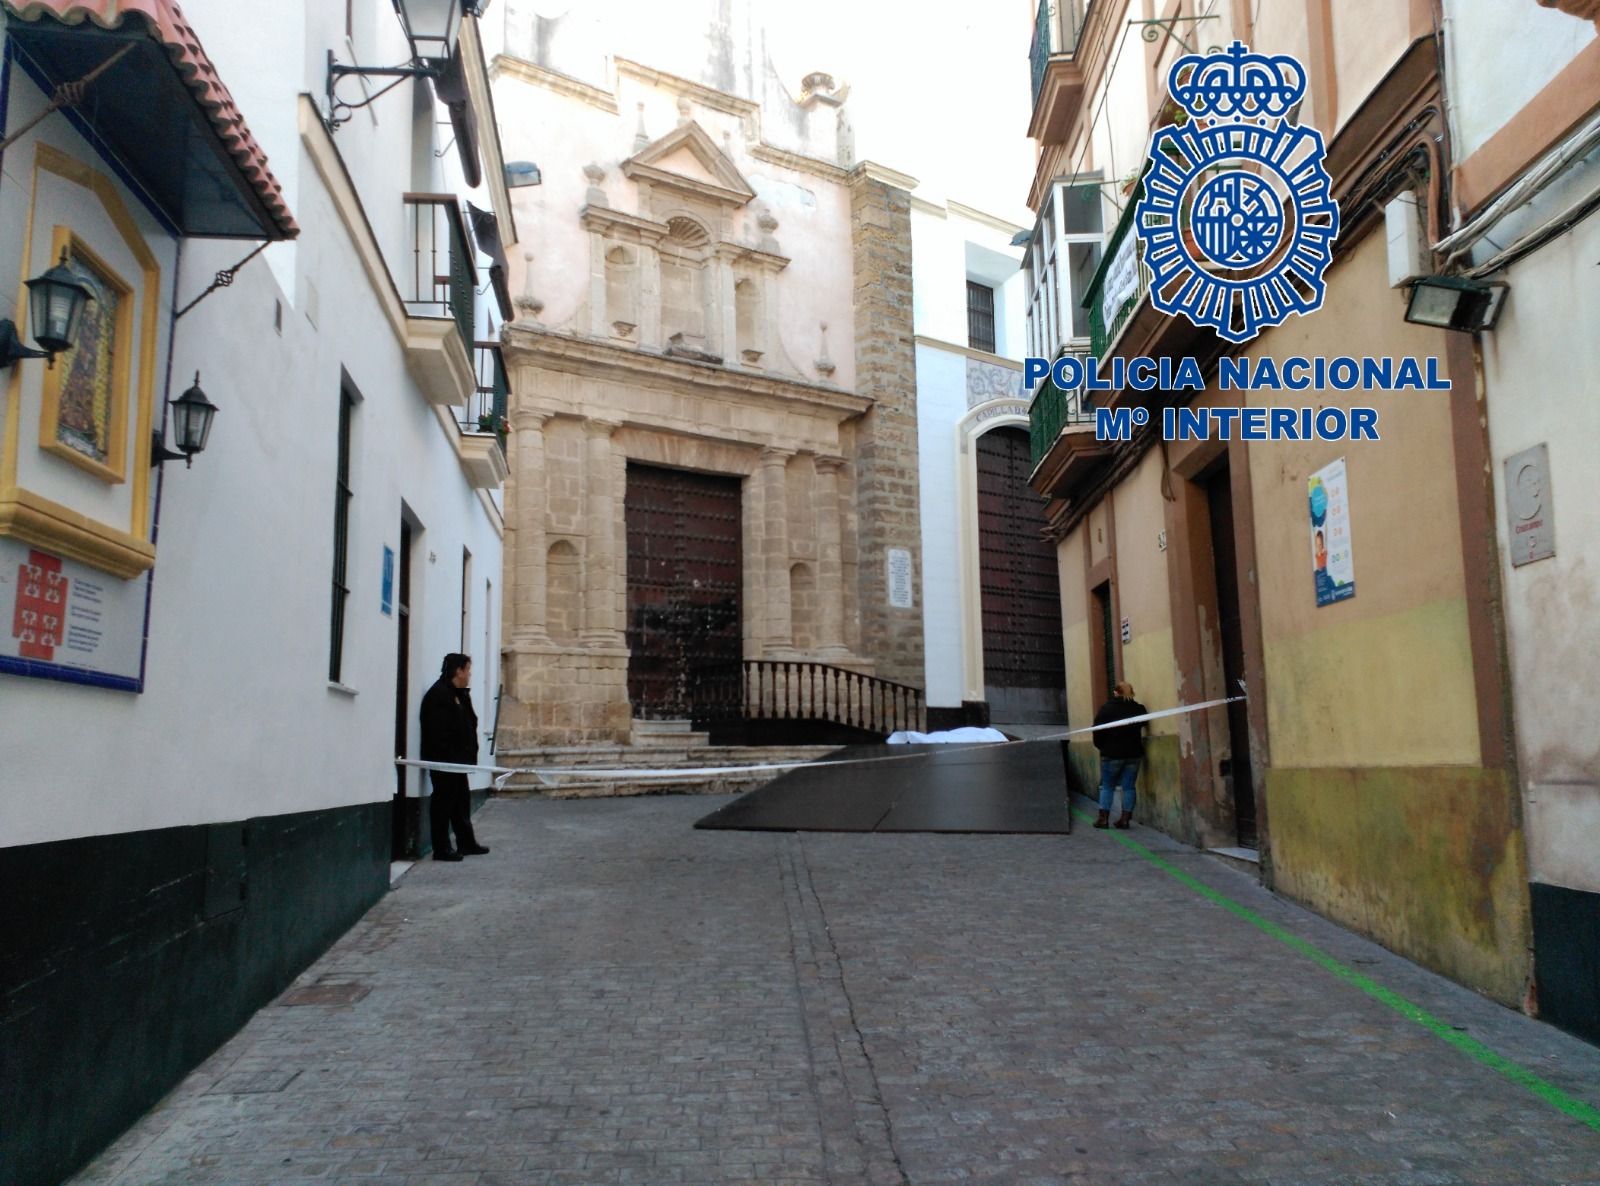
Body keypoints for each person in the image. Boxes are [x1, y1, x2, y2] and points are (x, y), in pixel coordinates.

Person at [419, 653, 489, 861]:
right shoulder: (439, 695)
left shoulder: (457, 694)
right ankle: (441, 848)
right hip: (445, 762)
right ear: (458, 671)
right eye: (468, 670)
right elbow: (437, 731)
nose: (469, 674)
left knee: (461, 802)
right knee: (443, 804)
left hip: (457, 762)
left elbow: (468, 722)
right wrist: (447, 757)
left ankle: (466, 843)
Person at [1092, 681, 1147, 830]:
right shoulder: (1139, 709)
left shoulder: (1106, 709)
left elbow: (1097, 730)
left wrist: (1101, 746)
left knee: (1107, 787)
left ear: (1116, 692)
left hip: (1111, 753)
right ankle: (1125, 820)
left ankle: (1103, 820)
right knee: (1129, 787)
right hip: (1134, 753)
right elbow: (1144, 722)